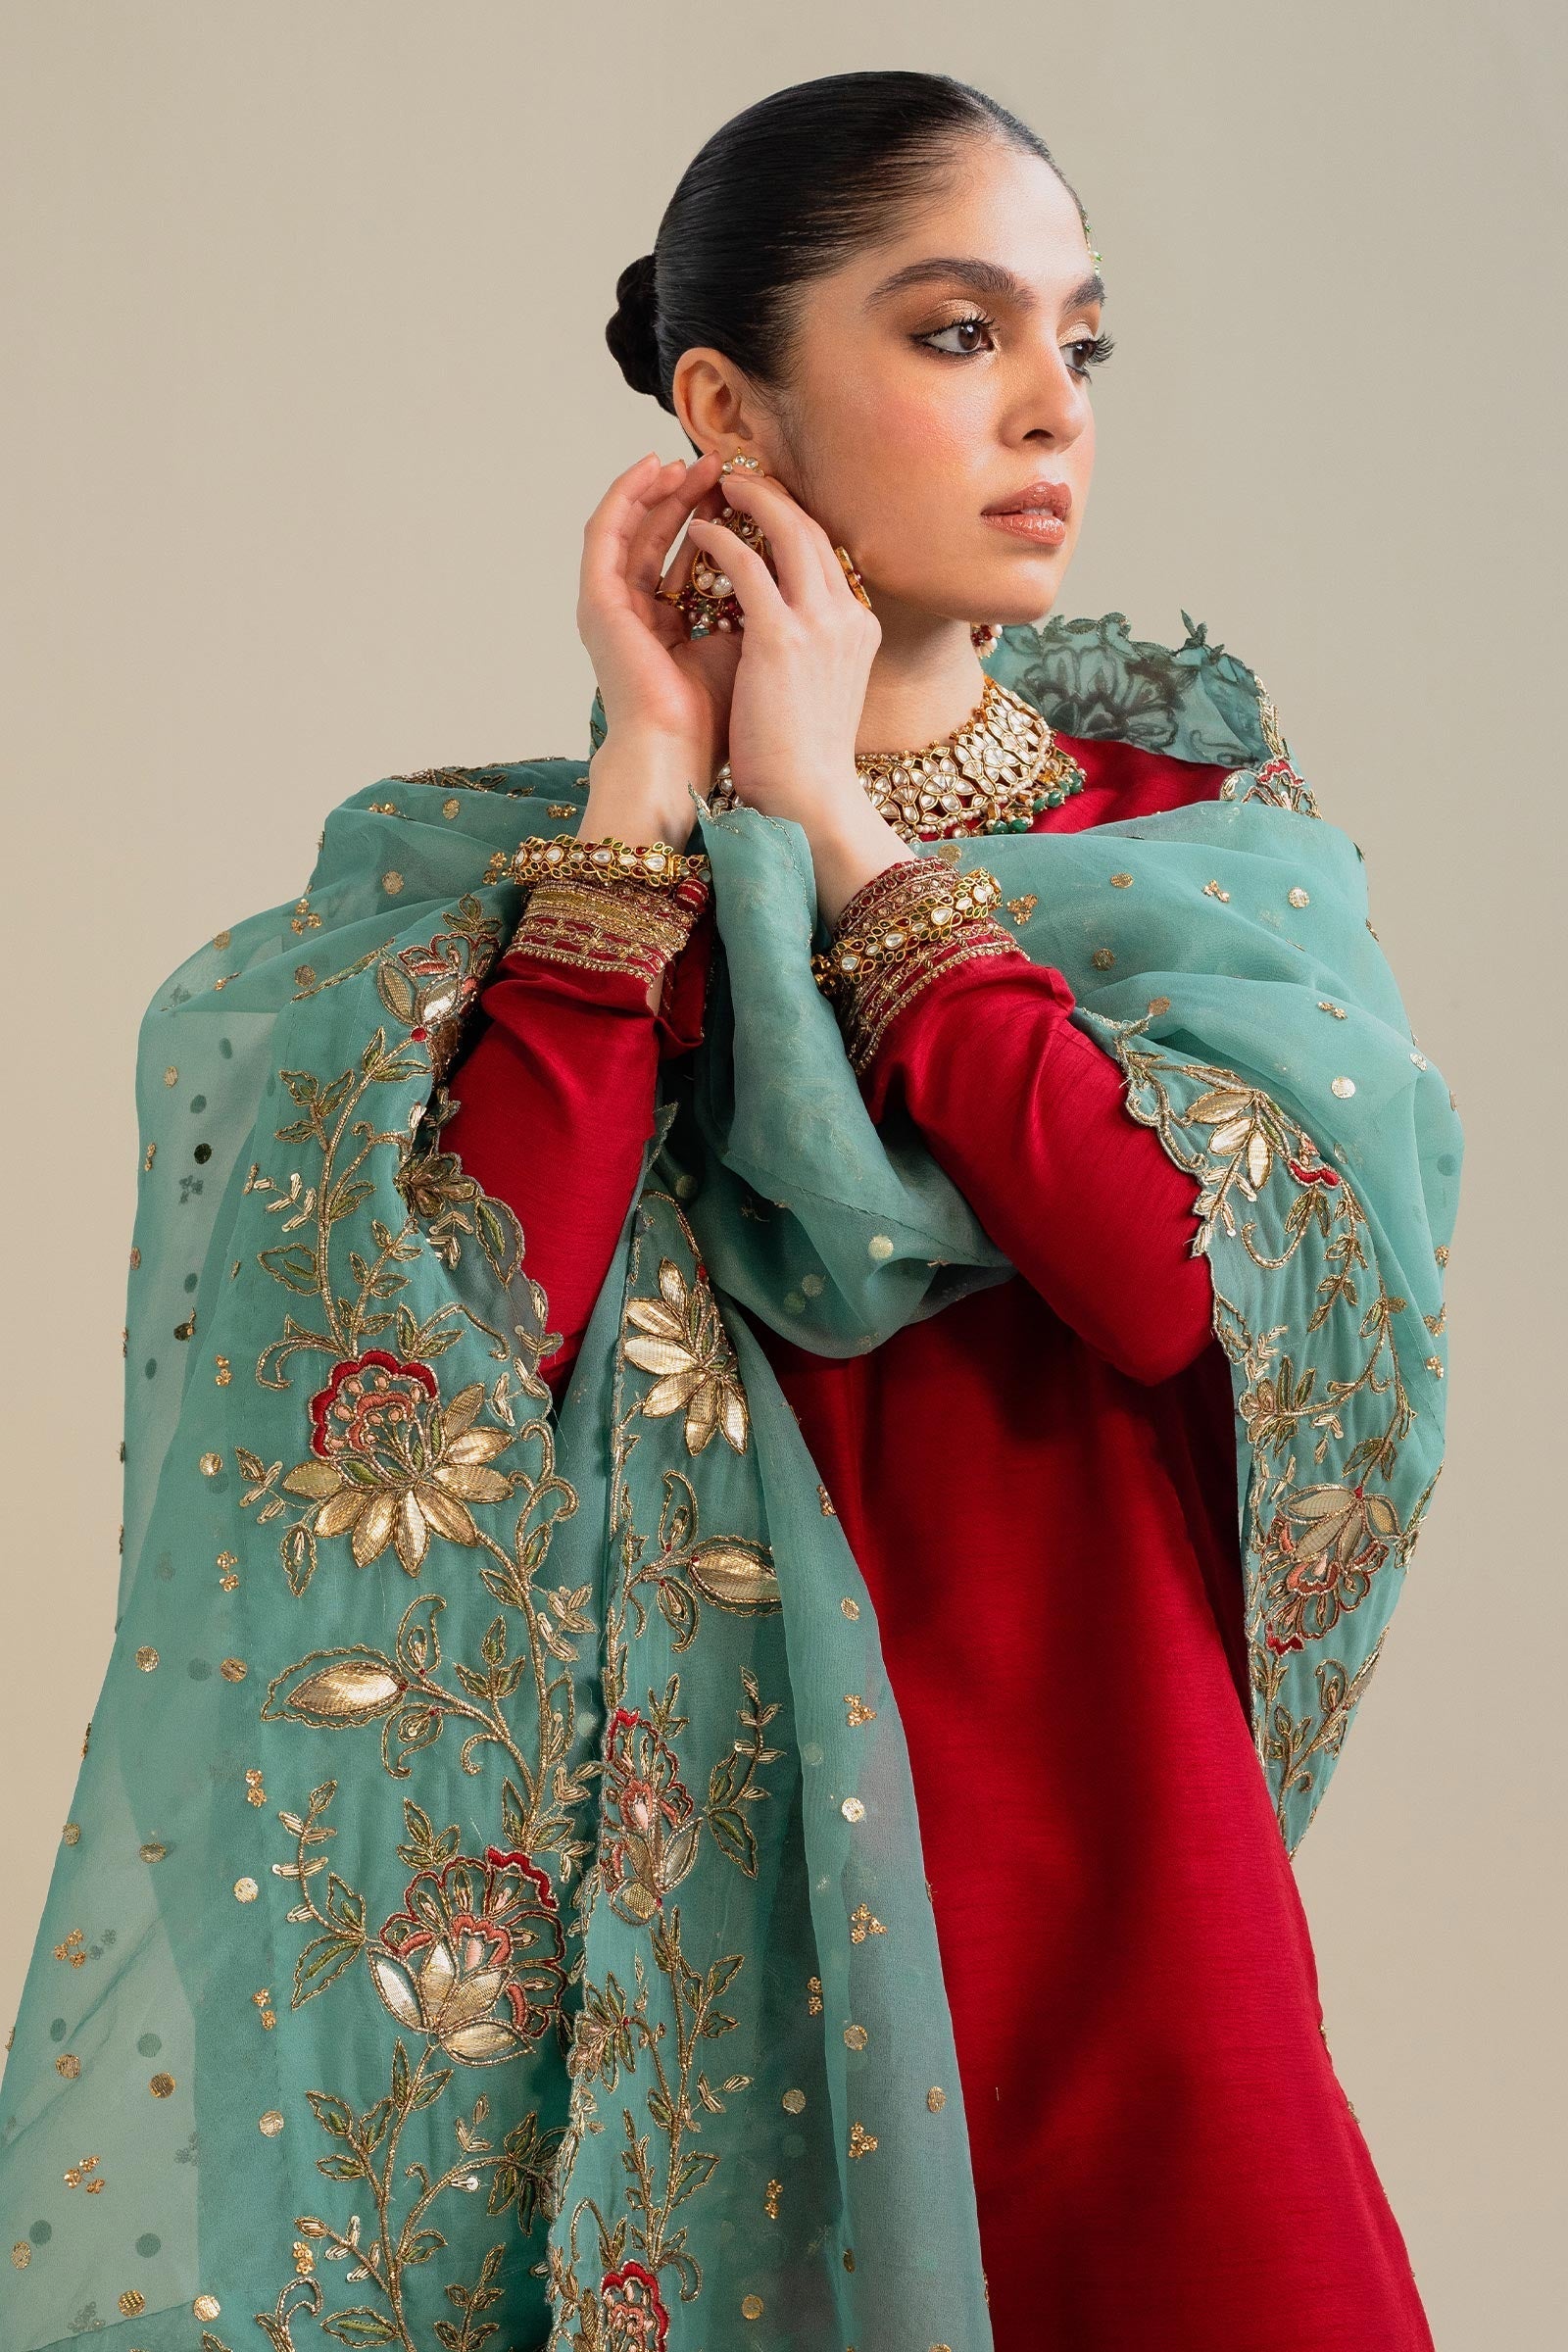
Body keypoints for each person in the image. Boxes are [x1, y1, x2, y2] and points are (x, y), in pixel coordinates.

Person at [0, 71, 1460, 2352]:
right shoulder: (529, 897)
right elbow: (448, 1362)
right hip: (692, 1969)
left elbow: (1168, 1288)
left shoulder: (1193, 854)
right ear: (724, 409)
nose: (1049, 408)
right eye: (958, 332)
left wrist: (840, 840)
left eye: (1077, 341)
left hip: (1113, 1918)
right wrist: (655, 789)